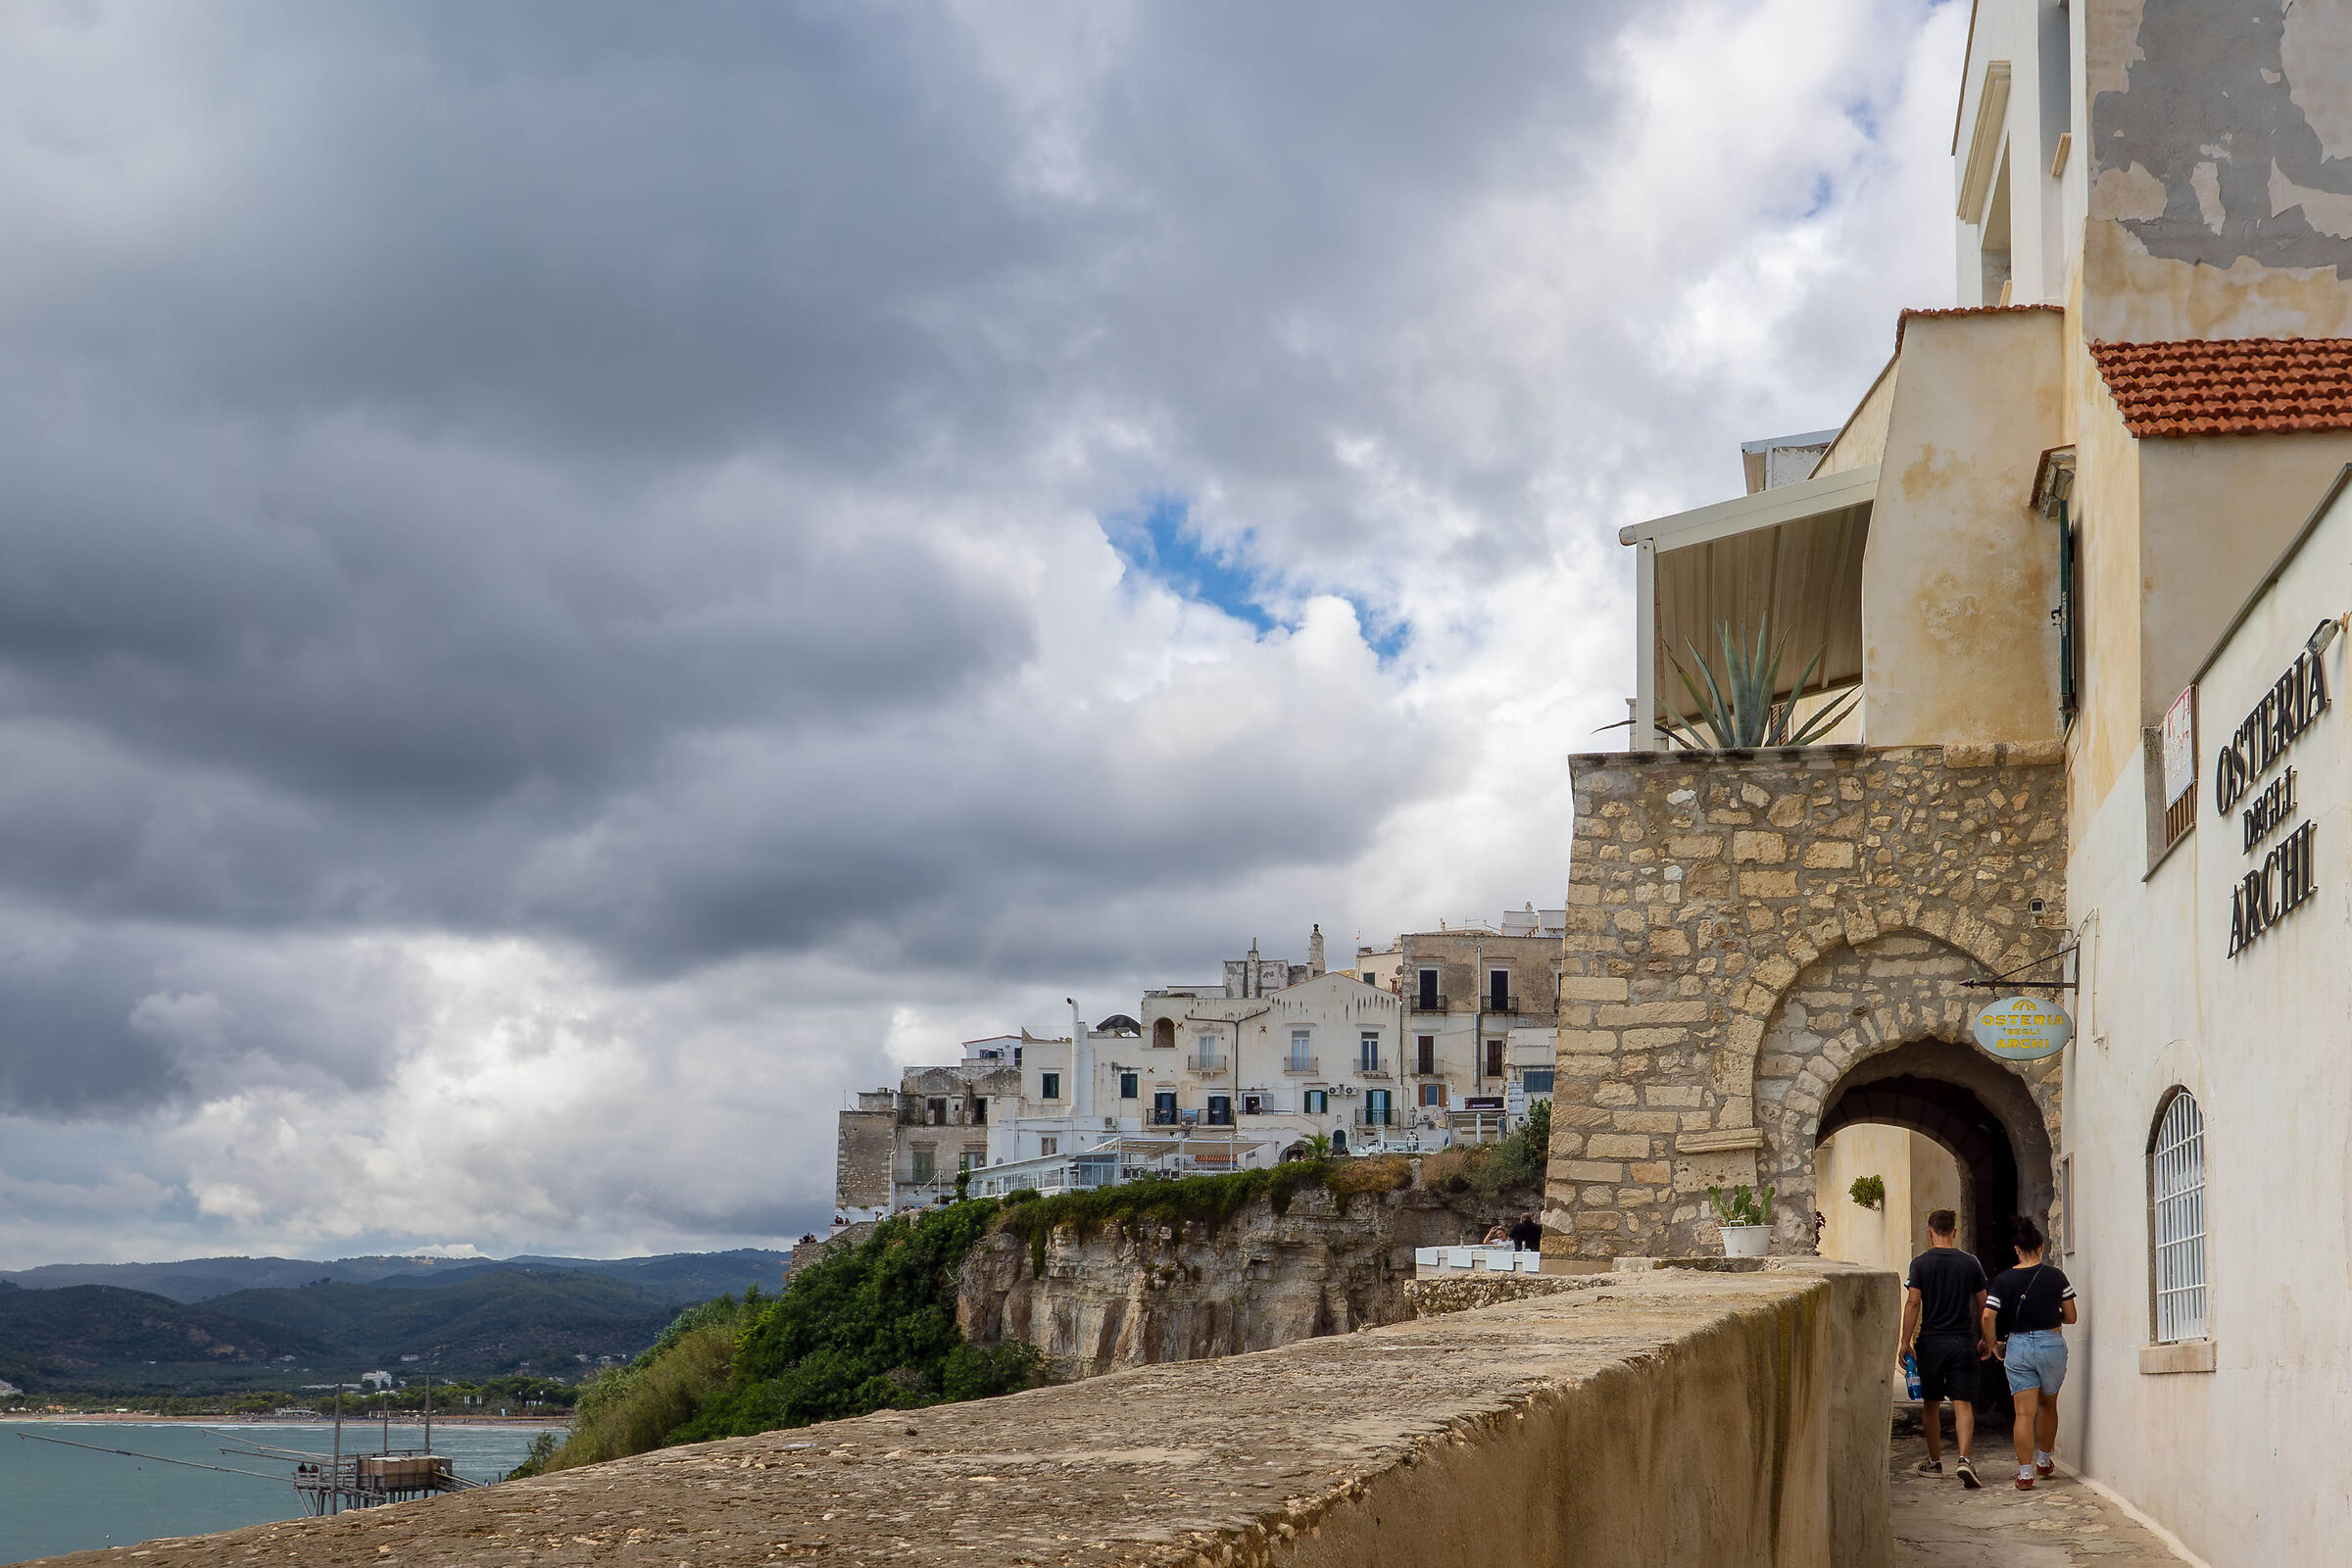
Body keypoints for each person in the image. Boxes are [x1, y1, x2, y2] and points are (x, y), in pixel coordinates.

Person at [1898, 1207, 1992, 1488]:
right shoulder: (1970, 1263)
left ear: (1930, 1233)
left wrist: (1904, 1342)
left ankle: (1935, 1462)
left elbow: (1913, 1302)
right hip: (1962, 1340)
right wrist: (1987, 1338)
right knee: (1963, 1403)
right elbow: (1984, 1304)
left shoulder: (1919, 1263)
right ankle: (1964, 1460)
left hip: (1931, 1342)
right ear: (1954, 1231)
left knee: (1931, 1404)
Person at [1984, 1214, 2078, 1490]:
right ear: (2042, 1247)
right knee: (2049, 1405)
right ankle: (2045, 1460)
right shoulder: (2055, 1276)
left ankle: (2025, 1474)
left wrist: (1994, 1345)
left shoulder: (2003, 1281)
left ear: (2016, 1249)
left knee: (2023, 1414)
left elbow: (1988, 1316)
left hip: (2019, 1346)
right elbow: (2071, 1317)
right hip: (2050, 1344)